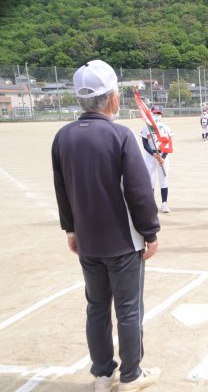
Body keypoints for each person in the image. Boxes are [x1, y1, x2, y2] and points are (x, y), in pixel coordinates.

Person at [51, 60, 161, 392]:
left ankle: (102, 373)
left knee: (96, 307)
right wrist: (151, 231)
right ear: (111, 97)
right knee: (128, 310)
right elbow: (139, 192)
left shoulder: (63, 137)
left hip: (87, 241)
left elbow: (62, 188)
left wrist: (71, 230)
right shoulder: (120, 135)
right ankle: (130, 375)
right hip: (123, 242)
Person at [141, 105, 173, 213]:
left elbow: (168, 144)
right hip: (150, 156)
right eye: (154, 113)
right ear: (150, 114)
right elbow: (145, 145)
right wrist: (154, 154)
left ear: (162, 115)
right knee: (150, 181)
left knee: (163, 179)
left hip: (162, 157)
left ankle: (164, 203)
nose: (156, 115)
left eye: (158, 113)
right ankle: (151, 204)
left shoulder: (165, 128)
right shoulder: (146, 128)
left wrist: (162, 157)